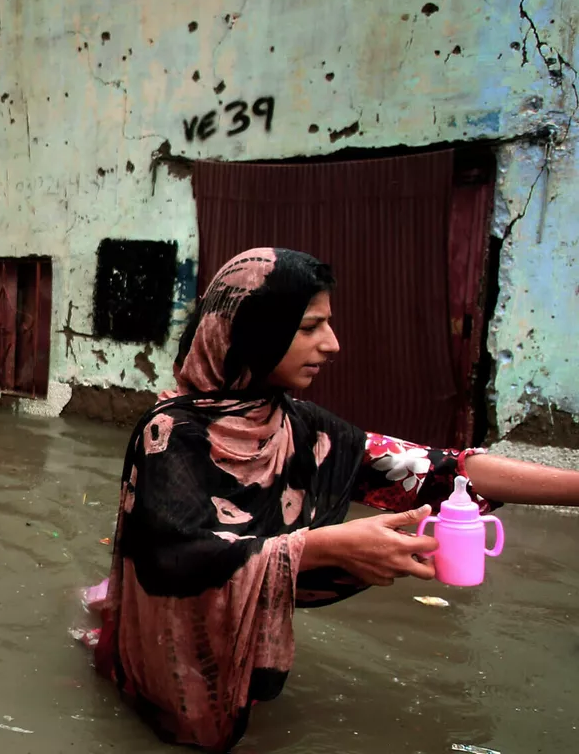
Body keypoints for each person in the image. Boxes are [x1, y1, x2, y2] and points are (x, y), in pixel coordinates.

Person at [91, 247, 579, 752]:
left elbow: (440, 469)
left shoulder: (297, 425)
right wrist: (326, 548)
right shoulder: (170, 433)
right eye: (309, 328)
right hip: (166, 669)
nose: (332, 344)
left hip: (239, 663)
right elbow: (176, 558)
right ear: (252, 330)